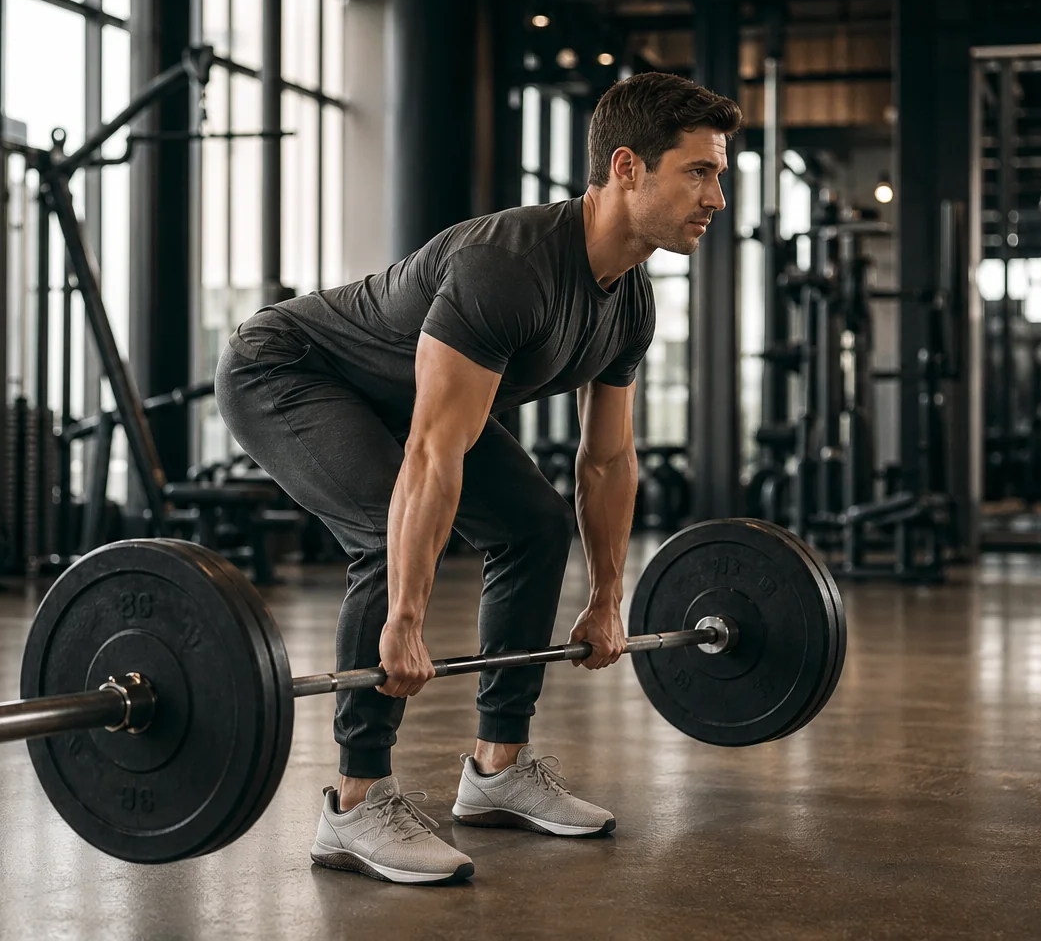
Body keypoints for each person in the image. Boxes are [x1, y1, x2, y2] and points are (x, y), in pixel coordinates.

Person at [215, 72, 739, 884]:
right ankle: (354, 806)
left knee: (532, 524)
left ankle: (498, 770)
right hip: (290, 371)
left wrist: (607, 598)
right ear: (628, 167)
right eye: (698, 172)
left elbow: (606, 461)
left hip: (407, 405)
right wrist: (406, 620)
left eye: (719, 175)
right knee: (376, 538)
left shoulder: (629, 303)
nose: (716, 197)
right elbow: (431, 453)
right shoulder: (513, 266)